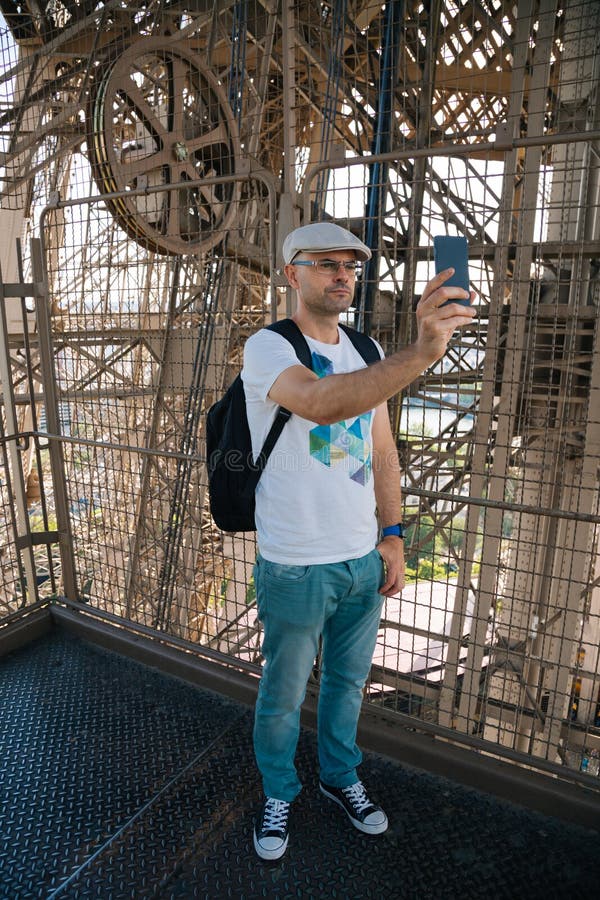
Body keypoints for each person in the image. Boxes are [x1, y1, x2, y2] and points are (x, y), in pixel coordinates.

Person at [241, 222, 475, 860]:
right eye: (324, 263)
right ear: (293, 274)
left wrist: (394, 536)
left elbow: (381, 449)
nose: (341, 275)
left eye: (350, 266)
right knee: (284, 693)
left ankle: (340, 777)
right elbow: (319, 404)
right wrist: (423, 353)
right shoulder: (267, 347)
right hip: (295, 563)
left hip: (360, 559)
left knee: (347, 685)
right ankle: (279, 792)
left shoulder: (367, 347)